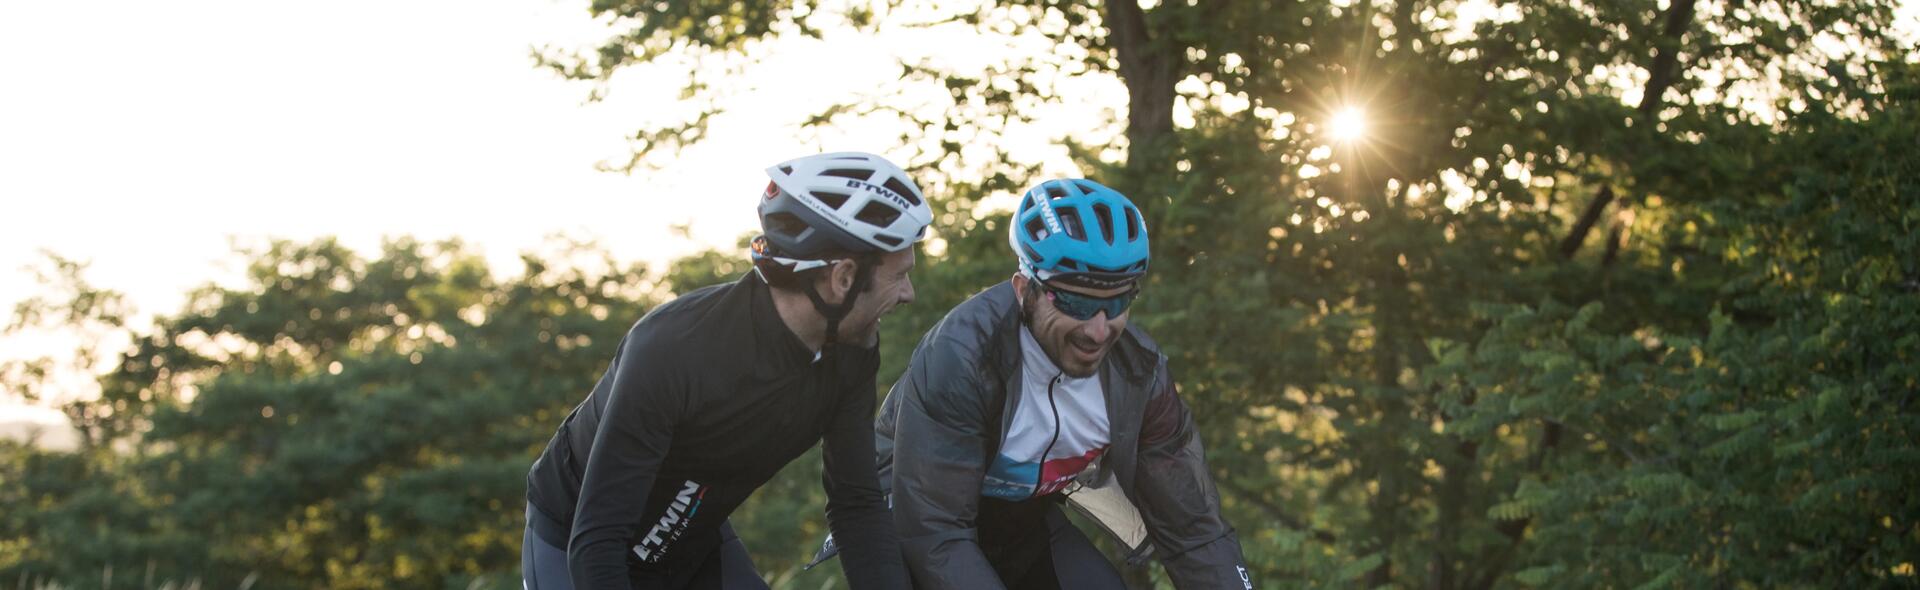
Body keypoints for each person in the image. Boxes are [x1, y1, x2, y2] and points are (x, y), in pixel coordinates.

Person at [813, 178, 1251, 589]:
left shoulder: (1139, 373)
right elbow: (934, 532)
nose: (1098, 331)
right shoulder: (964, 355)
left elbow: (1194, 528)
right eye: (1077, 301)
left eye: (1117, 300)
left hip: (1018, 513)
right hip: (910, 513)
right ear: (1025, 289)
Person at [521, 151, 932, 590]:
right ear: (843, 278)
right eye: (899, 275)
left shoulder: (852, 349)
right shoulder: (671, 351)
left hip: (692, 537)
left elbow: (857, 504)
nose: (907, 293)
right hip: (575, 543)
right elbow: (599, 541)